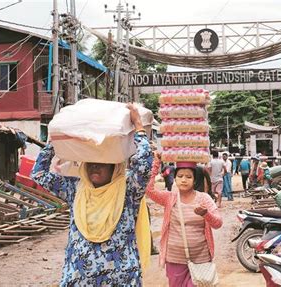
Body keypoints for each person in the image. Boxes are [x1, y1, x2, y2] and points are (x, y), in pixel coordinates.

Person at [30, 104, 152, 286]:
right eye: (91, 162)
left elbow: (143, 166)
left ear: (114, 166)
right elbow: (38, 174)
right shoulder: (75, 189)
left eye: (102, 162)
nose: (95, 166)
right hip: (79, 280)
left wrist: (139, 128)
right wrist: (56, 142)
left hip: (120, 280)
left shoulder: (128, 190)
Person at [146, 155, 223, 287]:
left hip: (201, 258)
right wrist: (156, 163)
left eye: (188, 177)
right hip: (174, 259)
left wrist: (206, 214)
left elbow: (218, 223)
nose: (184, 180)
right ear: (174, 178)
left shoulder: (204, 198)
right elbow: (149, 190)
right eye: (180, 176)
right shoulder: (169, 198)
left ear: (194, 180)